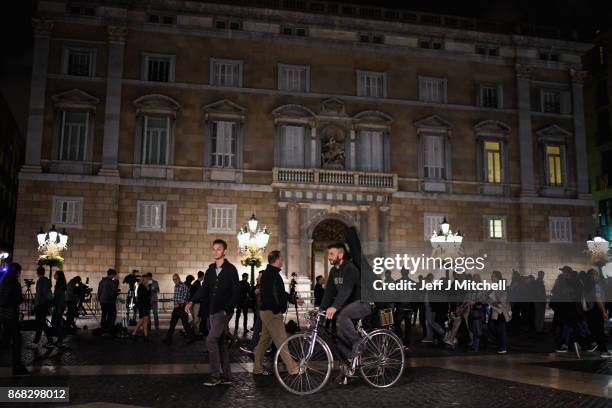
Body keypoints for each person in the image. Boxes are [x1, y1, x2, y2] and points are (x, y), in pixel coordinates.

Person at [187, 239, 239, 386]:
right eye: (214, 249)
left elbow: (236, 292)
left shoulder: (231, 269)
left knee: (210, 340)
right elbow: (204, 290)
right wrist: (192, 301)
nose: (215, 251)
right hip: (212, 311)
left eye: (219, 249)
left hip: (223, 312)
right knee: (220, 342)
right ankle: (227, 376)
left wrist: (227, 309)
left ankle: (215, 376)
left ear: (224, 252)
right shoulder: (210, 270)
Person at [320, 242, 371, 366]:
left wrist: (334, 307)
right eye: (328, 254)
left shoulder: (350, 268)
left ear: (341, 255)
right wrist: (321, 310)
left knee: (342, 315)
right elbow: (329, 292)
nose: (329, 256)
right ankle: (350, 362)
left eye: (332, 254)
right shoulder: (333, 271)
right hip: (350, 305)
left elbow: (345, 290)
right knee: (339, 337)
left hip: (363, 302)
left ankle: (358, 343)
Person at [253, 250, 299, 376]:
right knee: (282, 341)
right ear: (277, 259)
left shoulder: (272, 274)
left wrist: (293, 299)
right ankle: (293, 368)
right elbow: (267, 295)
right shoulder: (270, 274)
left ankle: (257, 368)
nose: (283, 261)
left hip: (268, 311)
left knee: (264, 341)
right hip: (271, 313)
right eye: (282, 259)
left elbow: (280, 293)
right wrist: (276, 309)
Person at [0, 263, 28, 375]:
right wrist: (22, 298)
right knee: (17, 339)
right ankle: (17, 366)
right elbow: (17, 299)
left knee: (6, 339)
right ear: (16, 271)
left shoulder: (4, 280)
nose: (19, 273)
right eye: (19, 271)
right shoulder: (14, 283)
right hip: (11, 313)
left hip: (3, 313)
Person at [163, 274, 195, 344]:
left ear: (179, 278)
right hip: (176, 309)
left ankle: (191, 338)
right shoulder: (176, 286)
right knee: (172, 324)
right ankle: (168, 339)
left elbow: (186, 296)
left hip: (182, 308)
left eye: (176, 279)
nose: (174, 281)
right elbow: (176, 296)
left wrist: (179, 304)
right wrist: (173, 301)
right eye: (173, 279)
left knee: (185, 324)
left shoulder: (183, 286)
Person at [488, 270, 511, 354]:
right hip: (496, 310)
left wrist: (491, 300)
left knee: (500, 328)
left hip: (500, 311)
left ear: (497, 277)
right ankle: (501, 345)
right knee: (495, 327)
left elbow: (500, 299)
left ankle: (503, 346)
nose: (491, 277)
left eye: (493, 276)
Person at [33, 266, 54, 346]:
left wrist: (36, 304)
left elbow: (39, 294)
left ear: (37, 273)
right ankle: (44, 340)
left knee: (40, 323)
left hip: (40, 304)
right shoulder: (47, 281)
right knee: (42, 323)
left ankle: (37, 341)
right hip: (45, 304)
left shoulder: (40, 281)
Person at [98, 269, 119, 334]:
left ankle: (103, 327)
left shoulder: (102, 281)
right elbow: (114, 291)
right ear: (112, 274)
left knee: (104, 314)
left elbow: (99, 291)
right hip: (109, 301)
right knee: (111, 314)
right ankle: (109, 327)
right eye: (114, 275)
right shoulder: (111, 282)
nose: (114, 276)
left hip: (102, 301)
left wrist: (99, 298)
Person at [132, 273, 151, 341]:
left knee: (145, 320)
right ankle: (134, 333)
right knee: (142, 320)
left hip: (145, 306)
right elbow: (142, 297)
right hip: (142, 306)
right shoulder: (141, 286)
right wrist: (147, 288)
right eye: (146, 279)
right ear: (144, 279)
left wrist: (147, 288)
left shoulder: (145, 286)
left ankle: (146, 336)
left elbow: (148, 295)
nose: (148, 280)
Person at [51, 270, 67, 342]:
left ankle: (60, 336)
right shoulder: (60, 284)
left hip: (59, 305)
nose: (54, 275)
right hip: (60, 305)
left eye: (55, 274)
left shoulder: (59, 285)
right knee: (57, 321)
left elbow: (58, 296)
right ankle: (60, 336)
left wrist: (53, 302)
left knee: (55, 321)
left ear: (59, 276)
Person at [189, 271, 204, 336]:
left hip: (193, 303)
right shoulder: (198, 284)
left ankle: (189, 329)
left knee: (196, 318)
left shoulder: (195, 283)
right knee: (197, 318)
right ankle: (196, 332)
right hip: (196, 303)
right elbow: (198, 295)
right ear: (202, 276)